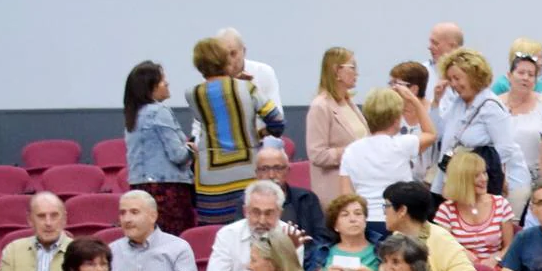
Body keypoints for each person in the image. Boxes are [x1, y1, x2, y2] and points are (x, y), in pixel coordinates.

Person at [184, 37, 285, 227]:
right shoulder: (247, 88)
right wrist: (261, 133)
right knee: (252, 228)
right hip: (246, 171)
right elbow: (277, 121)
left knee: (214, 234)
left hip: (209, 177)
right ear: (224, 59)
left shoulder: (193, 94)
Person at [187, 181, 295, 271]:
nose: (262, 220)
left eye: (269, 213)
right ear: (245, 211)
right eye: (256, 212)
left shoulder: (291, 236)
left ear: (280, 213)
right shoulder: (228, 234)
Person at [340, 86, 438, 224]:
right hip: (399, 219)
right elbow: (431, 133)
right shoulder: (403, 144)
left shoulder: (350, 150)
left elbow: (346, 195)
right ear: (396, 119)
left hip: (365, 220)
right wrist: (414, 100)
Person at [118, 61, 195, 233]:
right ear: (150, 87)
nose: (167, 83)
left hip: (139, 187)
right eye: (162, 80)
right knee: (174, 240)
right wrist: (191, 150)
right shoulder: (159, 112)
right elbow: (178, 155)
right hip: (167, 191)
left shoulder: (133, 114)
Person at [431, 48, 517, 200]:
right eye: (450, 79)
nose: (453, 84)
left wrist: (479, 171)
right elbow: (439, 133)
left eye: (457, 78)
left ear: (473, 76)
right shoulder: (457, 104)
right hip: (452, 180)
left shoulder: (490, 106)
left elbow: (505, 147)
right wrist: (437, 102)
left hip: (476, 185)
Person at [109, 191, 200, 271]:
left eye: (134, 212)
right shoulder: (112, 249)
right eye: (122, 213)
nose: (127, 219)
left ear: (153, 216)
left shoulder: (178, 247)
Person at [305, 47, 365, 206]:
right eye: (352, 68)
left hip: (358, 187)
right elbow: (317, 154)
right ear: (336, 71)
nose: (357, 73)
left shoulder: (349, 103)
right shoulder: (320, 106)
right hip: (335, 192)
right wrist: (352, 151)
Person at [433, 152, 514, 262]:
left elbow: (511, 246)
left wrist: (496, 258)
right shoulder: (446, 210)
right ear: (462, 180)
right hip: (461, 267)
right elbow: (443, 246)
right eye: (476, 175)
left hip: (495, 268)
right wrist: (462, 253)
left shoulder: (501, 203)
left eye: (484, 173)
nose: (484, 179)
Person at [498, 47, 542, 196]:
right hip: (506, 176)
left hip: (537, 176)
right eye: (521, 73)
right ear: (510, 76)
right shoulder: (496, 104)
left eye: (531, 75)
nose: (525, 78)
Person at [0, 193, 73, 271]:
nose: (48, 223)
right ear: (30, 220)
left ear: (64, 219)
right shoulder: (13, 251)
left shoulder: (79, 252)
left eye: (54, 216)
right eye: (41, 216)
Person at [312, 195, 381, 271]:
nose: (353, 219)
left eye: (358, 213)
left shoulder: (382, 250)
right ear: (335, 226)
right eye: (345, 215)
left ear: (365, 221)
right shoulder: (323, 251)